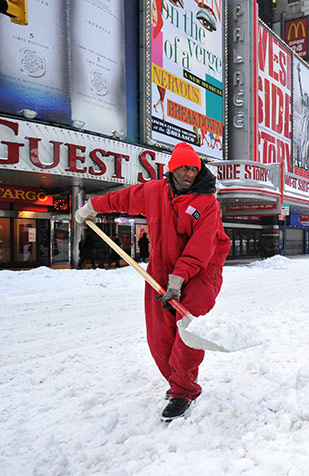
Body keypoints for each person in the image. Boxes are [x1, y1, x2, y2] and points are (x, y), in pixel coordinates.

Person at [74, 142, 230, 422]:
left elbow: (201, 246)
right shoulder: (154, 192)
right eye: (183, 167)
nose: (189, 174)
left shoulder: (207, 202)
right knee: (159, 337)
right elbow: (122, 198)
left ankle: (183, 391)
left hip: (201, 271)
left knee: (187, 328)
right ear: (172, 169)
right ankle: (176, 380)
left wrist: (179, 277)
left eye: (194, 169)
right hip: (160, 269)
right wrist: (91, 206)